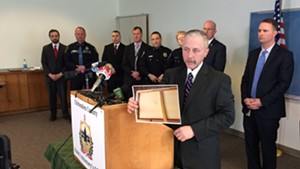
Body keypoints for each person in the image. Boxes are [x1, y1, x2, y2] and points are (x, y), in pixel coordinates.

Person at [127, 29, 235, 169]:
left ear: (206, 52)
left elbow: (227, 116)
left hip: (201, 154)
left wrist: (194, 130)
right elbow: (157, 103)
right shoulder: (171, 74)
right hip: (171, 150)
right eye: (186, 49)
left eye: (196, 50)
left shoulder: (220, 80)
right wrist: (137, 103)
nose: (190, 55)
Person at [241, 18, 294, 169]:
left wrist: (261, 101)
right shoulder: (253, 54)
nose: (261, 34)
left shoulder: (284, 55)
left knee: (268, 148)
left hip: (269, 111)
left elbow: (283, 84)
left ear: (275, 33)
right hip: (249, 109)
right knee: (250, 147)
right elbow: (245, 79)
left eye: (265, 30)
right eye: (259, 30)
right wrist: (246, 98)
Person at [41, 29, 69, 121]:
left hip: (61, 77)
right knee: (52, 97)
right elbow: (44, 63)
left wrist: (61, 74)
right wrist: (50, 74)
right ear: (50, 37)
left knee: (63, 97)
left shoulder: (65, 48)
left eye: (56, 36)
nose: (54, 37)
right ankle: (53, 114)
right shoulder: (45, 48)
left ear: (59, 36)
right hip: (51, 78)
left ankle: (65, 114)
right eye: (52, 36)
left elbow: (67, 63)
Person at [122, 26, 150, 99]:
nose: (136, 36)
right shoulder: (127, 48)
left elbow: (148, 65)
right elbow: (124, 64)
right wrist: (132, 73)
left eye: (138, 34)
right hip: (129, 80)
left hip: (142, 79)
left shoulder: (147, 48)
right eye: (134, 34)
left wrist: (139, 73)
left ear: (141, 34)